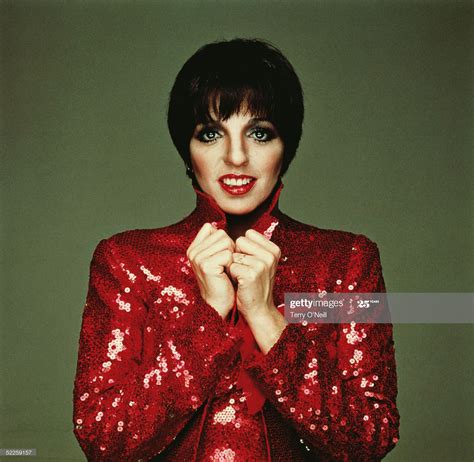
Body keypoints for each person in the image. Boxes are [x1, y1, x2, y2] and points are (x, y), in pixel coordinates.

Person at [72, 38, 400, 461]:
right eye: (211, 133)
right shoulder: (127, 260)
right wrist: (206, 317)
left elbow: (370, 439)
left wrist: (266, 318)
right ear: (187, 151)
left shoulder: (346, 260)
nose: (236, 156)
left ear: (287, 148)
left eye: (260, 133)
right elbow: (103, 440)